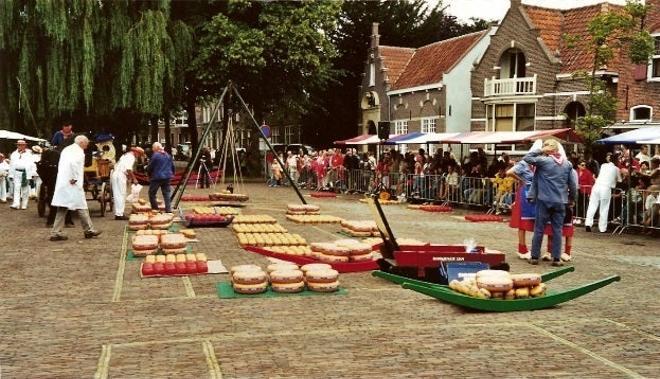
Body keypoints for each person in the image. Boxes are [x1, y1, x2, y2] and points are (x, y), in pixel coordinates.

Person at [523, 139, 577, 266]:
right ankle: (556, 258)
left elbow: (527, 157)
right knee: (558, 230)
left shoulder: (543, 161)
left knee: (539, 229)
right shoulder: (567, 164)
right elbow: (573, 185)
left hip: (544, 200)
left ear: (548, 149)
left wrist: (541, 150)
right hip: (561, 201)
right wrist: (572, 199)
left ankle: (535, 257)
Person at [49, 135, 101, 241]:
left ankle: (56, 232)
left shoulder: (67, 149)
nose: (87, 145)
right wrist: (74, 178)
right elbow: (74, 165)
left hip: (64, 182)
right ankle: (88, 230)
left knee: (63, 207)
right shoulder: (78, 152)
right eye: (86, 143)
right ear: (81, 142)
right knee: (81, 205)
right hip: (72, 183)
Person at [584, 152, 622, 233]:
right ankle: (602, 228)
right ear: (616, 161)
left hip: (597, 186)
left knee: (592, 205)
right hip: (605, 188)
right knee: (604, 208)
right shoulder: (616, 169)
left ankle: (588, 223)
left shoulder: (603, 166)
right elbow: (620, 180)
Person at [111, 147, 145, 220]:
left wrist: (129, 178)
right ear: (137, 153)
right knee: (121, 194)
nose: (138, 157)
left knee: (117, 194)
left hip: (116, 174)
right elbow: (128, 169)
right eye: (139, 155)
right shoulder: (131, 157)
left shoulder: (125, 155)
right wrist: (134, 179)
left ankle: (119, 212)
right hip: (120, 175)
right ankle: (119, 214)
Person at [9, 140, 37, 210]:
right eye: (19, 145)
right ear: (17, 145)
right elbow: (11, 165)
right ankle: (16, 204)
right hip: (16, 173)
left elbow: (32, 164)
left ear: (25, 145)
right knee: (16, 188)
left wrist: (33, 173)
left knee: (25, 189)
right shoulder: (14, 154)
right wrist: (11, 175)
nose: (20, 146)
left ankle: (24, 204)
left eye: (22, 145)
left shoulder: (29, 154)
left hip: (26, 173)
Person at [147, 142, 174, 213]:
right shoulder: (168, 155)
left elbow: (150, 167)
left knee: (152, 193)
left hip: (157, 177)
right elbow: (172, 166)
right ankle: (168, 210)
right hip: (167, 177)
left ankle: (155, 209)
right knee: (167, 194)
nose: (152, 149)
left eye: (153, 148)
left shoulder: (155, 155)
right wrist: (172, 174)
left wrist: (149, 174)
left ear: (156, 148)